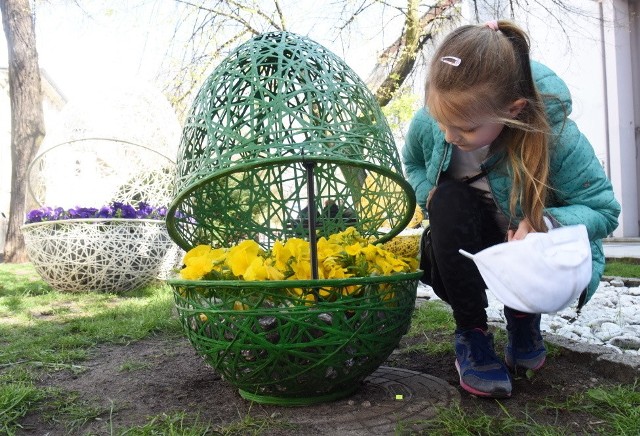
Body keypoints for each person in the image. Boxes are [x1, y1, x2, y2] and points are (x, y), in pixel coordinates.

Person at [401, 20, 621, 398]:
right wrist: (429, 194)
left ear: (513, 110)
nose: (450, 136)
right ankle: (471, 333)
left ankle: (522, 316)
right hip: (473, 241)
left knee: (531, 229)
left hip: (532, 251)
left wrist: (546, 224)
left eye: (465, 128)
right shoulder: (433, 122)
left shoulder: (556, 137)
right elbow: (415, 164)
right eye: (442, 123)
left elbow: (603, 210)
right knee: (448, 199)